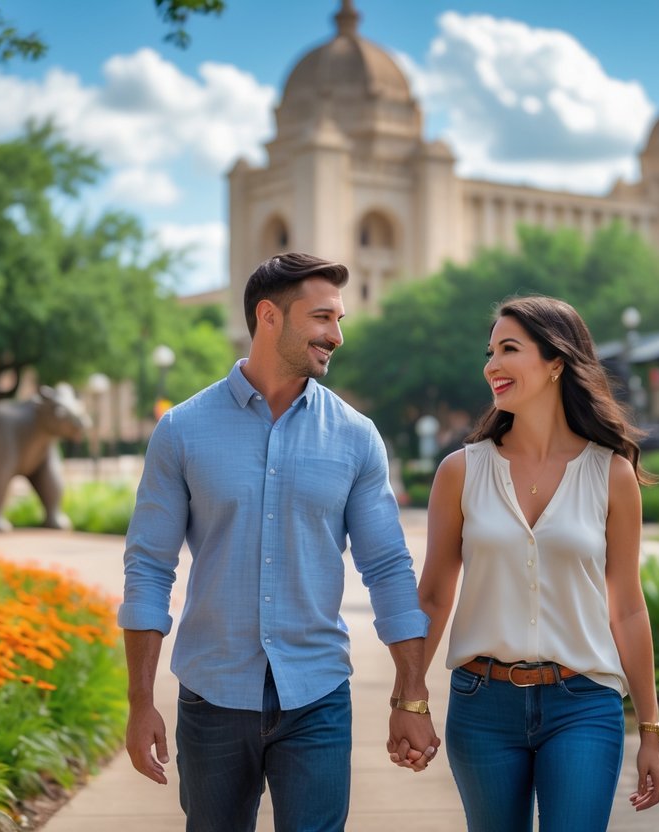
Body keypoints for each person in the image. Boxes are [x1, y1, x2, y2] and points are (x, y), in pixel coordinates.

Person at [120, 252, 440, 832]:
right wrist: (141, 703)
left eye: (338, 320)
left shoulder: (356, 437)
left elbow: (389, 569)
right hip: (211, 699)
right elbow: (148, 569)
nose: (336, 335)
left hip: (316, 697)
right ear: (269, 316)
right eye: (322, 318)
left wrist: (411, 695)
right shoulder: (182, 430)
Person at [415, 295, 659, 831]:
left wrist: (650, 730)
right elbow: (435, 595)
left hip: (583, 704)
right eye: (490, 353)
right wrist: (408, 695)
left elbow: (627, 608)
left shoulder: (611, 475)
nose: (491, 366)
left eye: (509, 349)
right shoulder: (460, 472)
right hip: (481, 705)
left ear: (557, 362)